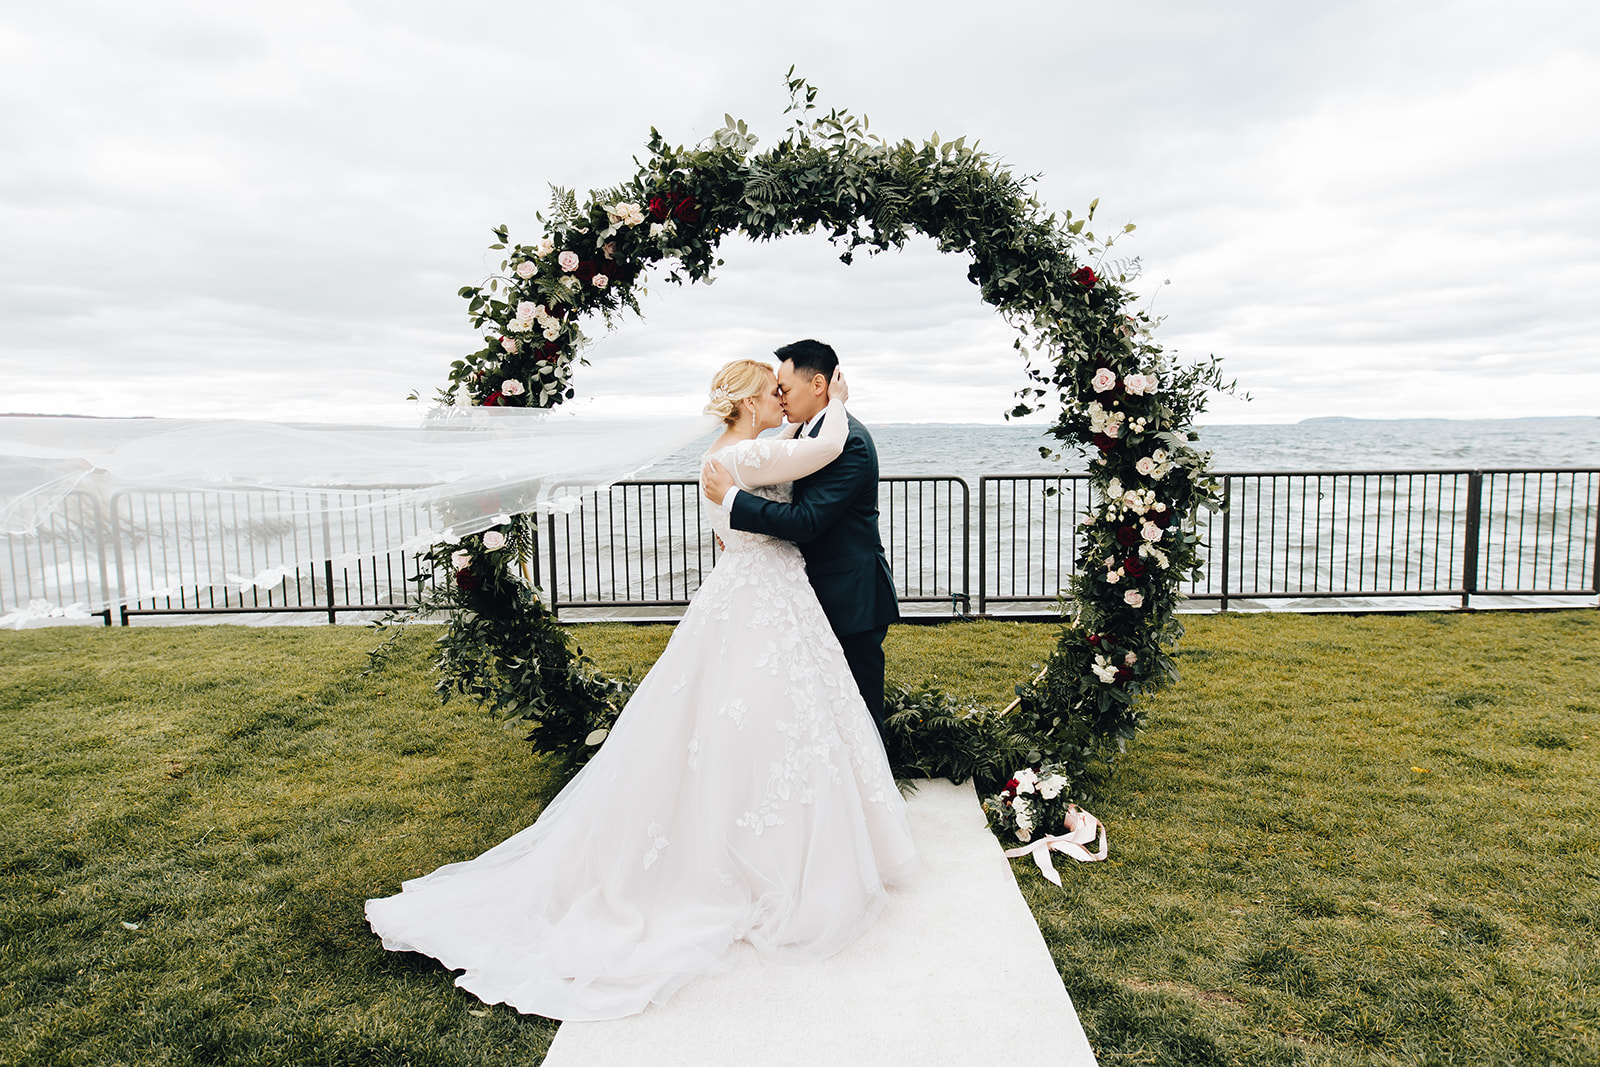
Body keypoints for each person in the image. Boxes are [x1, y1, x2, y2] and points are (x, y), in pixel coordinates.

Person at [365, 359, 916, 1022]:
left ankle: (761, 838)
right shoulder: (742, 455)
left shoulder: (732, 453)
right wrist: (842, 399)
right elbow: (825, 448)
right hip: (760, 600)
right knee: (762, 721)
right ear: (746, 400)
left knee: (755, 722)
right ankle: (758, 861)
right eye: (773, 390)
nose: (782, 399)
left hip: (759, 595)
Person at [702, 340, 899, 728]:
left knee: (858, 706)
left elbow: (808, 520)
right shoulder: (802, 436)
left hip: (850, 593)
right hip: (797, 590)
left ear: (819, 385)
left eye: (785, 390)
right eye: (775, 391)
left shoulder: (849, 442)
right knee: (813, 703)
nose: (782, 398)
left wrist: (731, 502)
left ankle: (871, 785)